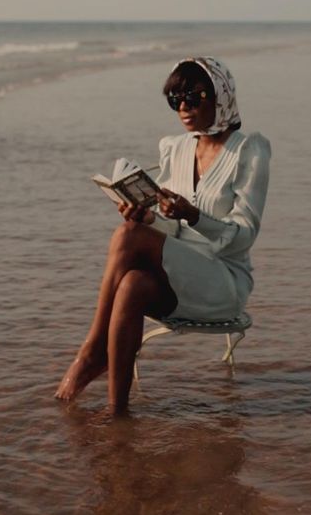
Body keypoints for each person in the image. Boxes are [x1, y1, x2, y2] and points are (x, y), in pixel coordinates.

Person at [55, 56, 271, 414]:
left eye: (193, 97)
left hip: (223, 281)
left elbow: (245, 236)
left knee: (127, 236)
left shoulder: (249, 150)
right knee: (132, 282)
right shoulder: (176, 147)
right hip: (179, 274)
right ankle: (118, 412)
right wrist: (149, 219)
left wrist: (193, 215)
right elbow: (172, 232)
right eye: (175, 100)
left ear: (221, 95)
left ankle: (93, 350)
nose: (183, 108)